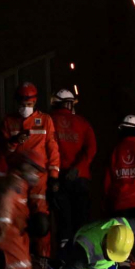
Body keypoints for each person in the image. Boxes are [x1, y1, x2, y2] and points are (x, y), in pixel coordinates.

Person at [0, 82, 60, 259]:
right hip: (17, 180)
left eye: (29, 105)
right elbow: (5, 152)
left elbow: (52, 149)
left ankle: (43, 258)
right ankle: (21, 257)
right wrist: (14, 141)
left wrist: (54, 176)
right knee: (18, 221)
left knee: (41, 223)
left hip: (39, 179)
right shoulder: (9, 122)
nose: (25, 108)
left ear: (35, 103)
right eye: (22, 104)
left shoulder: (45, 120)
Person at [0, 153, 48, 269]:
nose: (36, 175)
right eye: (34, 170)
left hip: (14, 248)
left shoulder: (19, 187)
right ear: (24, 166)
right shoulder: (11, 187)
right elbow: (1, 221)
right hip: (9, 252)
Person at [50, 89, 97, 249]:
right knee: (81, 221)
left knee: (62, 220)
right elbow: (91, 149)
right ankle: (81, 254)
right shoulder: (83, 123)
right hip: (80, 178)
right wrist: (78, 168)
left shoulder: (49, 121)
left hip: (57, 178)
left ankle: (63, 257)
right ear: (70, 104)